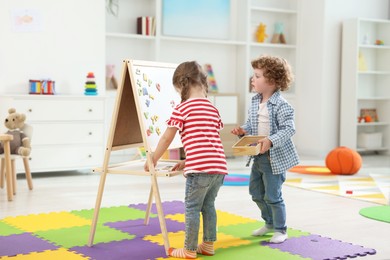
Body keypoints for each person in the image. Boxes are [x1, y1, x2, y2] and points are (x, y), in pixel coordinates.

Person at [144, 61, 228, 259]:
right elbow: (207, 140)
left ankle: (189, 249)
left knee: (192, 208)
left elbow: (166, 137)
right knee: (208, 206)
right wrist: (188, 160)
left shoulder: (183, 108)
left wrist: (153, 158)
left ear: (182, 86)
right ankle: (208, 245)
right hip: (219, 168)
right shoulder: (212, 108)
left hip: (200, 171)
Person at [231, 55, 299, 243]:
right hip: (258, 157)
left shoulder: (283, 106)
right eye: (254, 75)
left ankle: (280, 229)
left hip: (274, 158)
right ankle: (269, 222)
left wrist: (270, 140)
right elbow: (253, 124)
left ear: (273, 81)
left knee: (273, 196)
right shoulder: (255, 101)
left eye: (257, 76)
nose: (253, 79)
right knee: (256, 193)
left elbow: (289, 129)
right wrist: (243, 130)